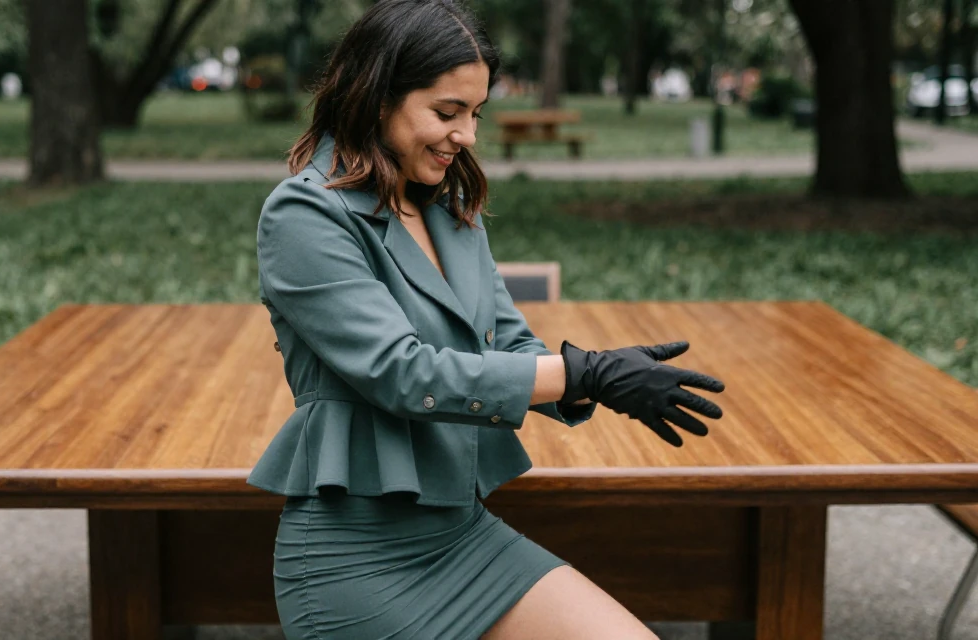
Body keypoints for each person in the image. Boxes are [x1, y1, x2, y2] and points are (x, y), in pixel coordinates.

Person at [247, 1, 726, 638]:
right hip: (354, 558)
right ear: (374, 97)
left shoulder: (447, 210)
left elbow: (507, 341)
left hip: (464, 535)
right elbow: (401, 371)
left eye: (475, 114)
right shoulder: (305, 214)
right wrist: (584, 375)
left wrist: (608, 371)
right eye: (447, 113)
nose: (468, 135)